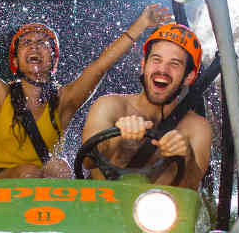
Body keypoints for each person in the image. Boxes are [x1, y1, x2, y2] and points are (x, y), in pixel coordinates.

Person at [0, 3, 172, 179]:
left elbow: (100, 66)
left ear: (53, 60)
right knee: (29, 171)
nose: (34, 47)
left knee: (60, 167)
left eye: (42, 43)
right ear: (15, 61)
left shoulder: (63, 101)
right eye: (26, 42)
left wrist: (141, 23)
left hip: (41, 184)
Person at [79, 21, 211, 189]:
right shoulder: (110, 105)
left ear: (189, 77)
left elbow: (191, 189)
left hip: (161, 205)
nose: (163, 70)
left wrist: (187, 156)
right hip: (102, 202)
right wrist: (117, 139)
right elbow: (87, 161)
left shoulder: (197, 128)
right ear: (143, 66)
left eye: (174, 64)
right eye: (156, 60)